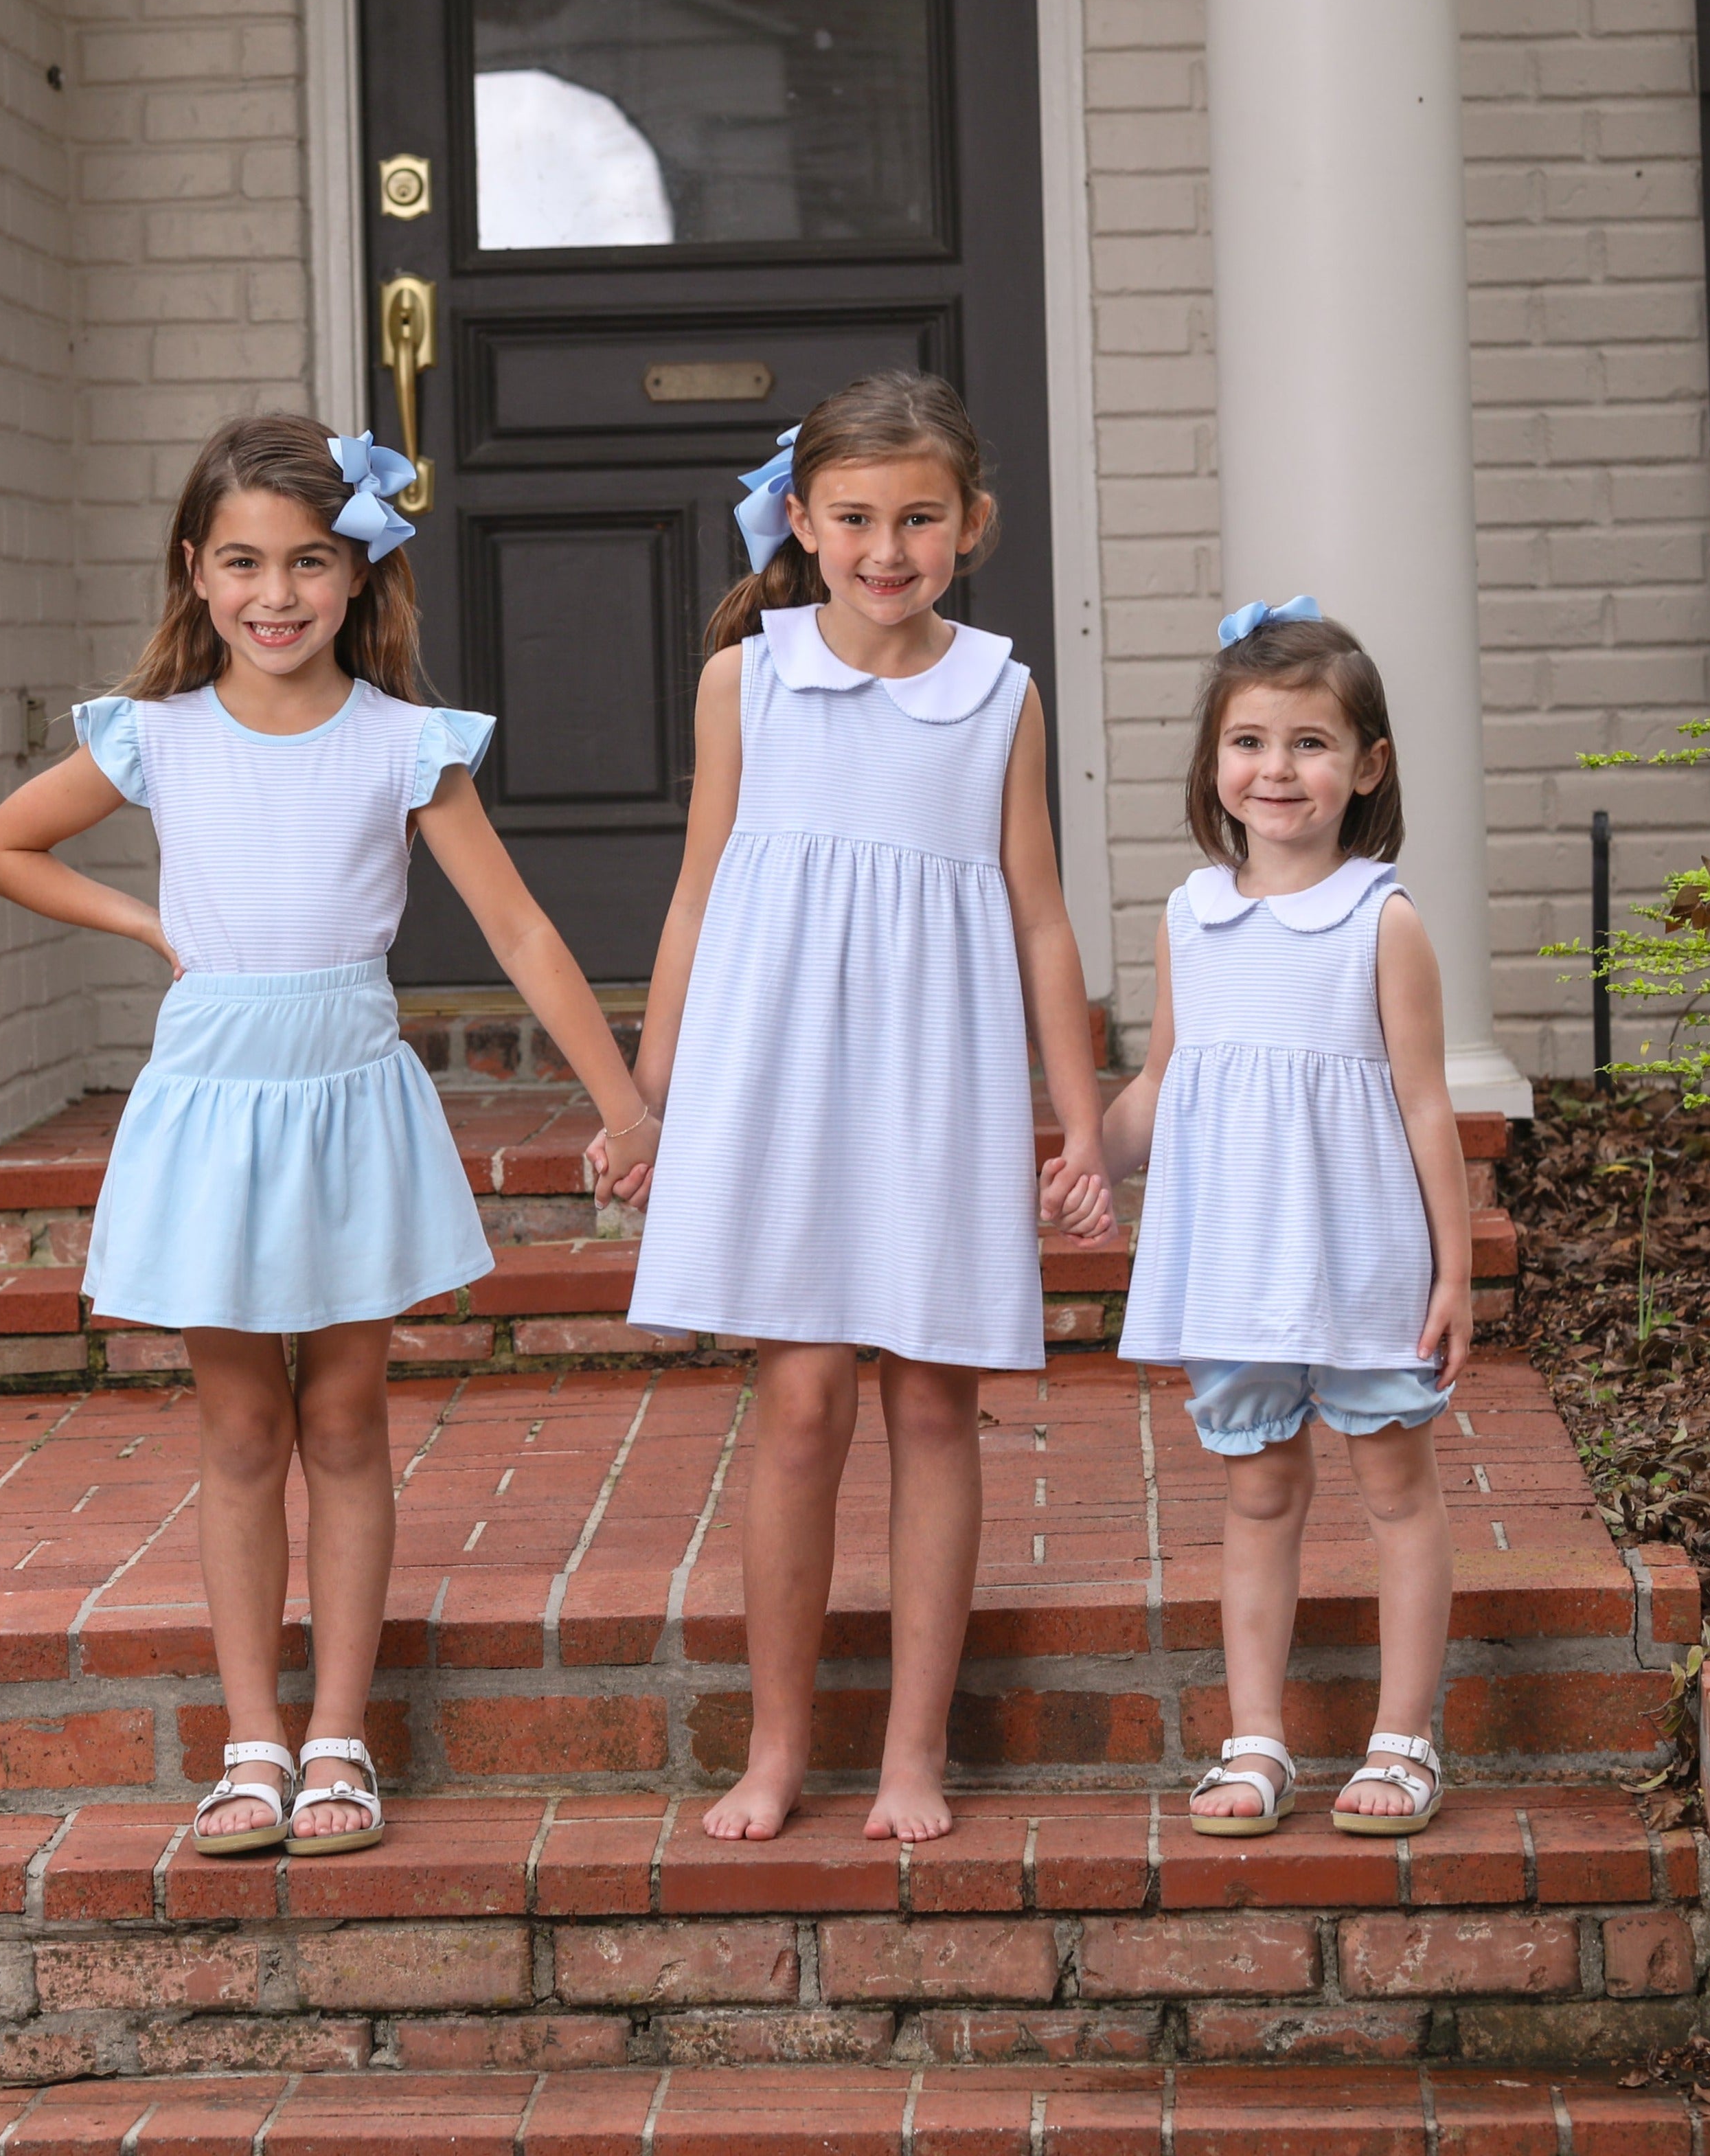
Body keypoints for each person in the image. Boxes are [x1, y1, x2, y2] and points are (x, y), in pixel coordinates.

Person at [0, 415, 658, 1859]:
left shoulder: (405, 745)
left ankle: (340, 1738)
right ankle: (252, 1741)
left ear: (360, 580)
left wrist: (625, 1101)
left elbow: (522, 928)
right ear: (195, 574)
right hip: (215, 1108)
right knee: (236, 1429)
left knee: (344, 1421)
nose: (274, 594)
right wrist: (147, 920)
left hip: (348, 1103)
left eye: (308, 562)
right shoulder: (154, 737)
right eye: (243, 562)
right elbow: (1, 848)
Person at [616, 371, 1115, 1847]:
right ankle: (776, 1753)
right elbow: (699, 892)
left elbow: (1038, 918)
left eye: (919, 518)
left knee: (930, 1401)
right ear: (802, 522)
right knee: (803, 1401)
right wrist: (651, 1095)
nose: (886, 549)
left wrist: (1077, 1124)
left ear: (973, 524)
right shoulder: (746, 681)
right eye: (854, 518)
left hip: (938, 1087)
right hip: (778, 1080)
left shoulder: (1001, 691)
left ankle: (912, 1757)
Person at [1104, 598, 1472, 1839]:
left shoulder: (1384, 918)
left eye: (1311, 743)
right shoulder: (1189, 916)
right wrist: (1080, 1152)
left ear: (1367, 766)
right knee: (1257, 1494)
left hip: (1362, 1256)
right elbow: (1163, 1081)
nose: (1278, 769)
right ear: (1216, 766)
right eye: (1251, 742)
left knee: (1394, 1488)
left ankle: (1405, 1738)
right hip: (1234, 1261)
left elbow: (1426, 1107)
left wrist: (1454, 1271)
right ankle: (1256, 1739)